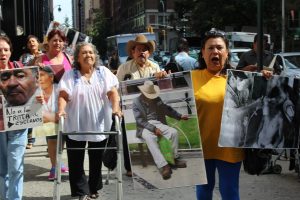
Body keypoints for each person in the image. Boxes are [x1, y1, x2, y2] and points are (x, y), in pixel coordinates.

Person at [58, 42, 122, 200]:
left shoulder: (103, 72)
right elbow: (63, 95)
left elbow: (113, 92)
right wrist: (61, 109)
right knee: (75, 160)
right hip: (75, 124)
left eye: (91, 52)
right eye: (84, 53)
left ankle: (93, 188)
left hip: (98, 124)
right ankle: (80, 192)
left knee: (96, 159)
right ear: (78, 57)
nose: (88, 55)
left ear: (95, 56)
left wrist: (116, 108)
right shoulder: (70, 75)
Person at [191, 30, 244, 200]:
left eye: (220, 48)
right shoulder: (189, 78)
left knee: (230, 192)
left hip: (230, 146)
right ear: (203, 53)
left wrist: (265, 79)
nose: (215, 51)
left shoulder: (239, 80)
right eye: (210, 48)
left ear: (227, 53)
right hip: (201, 147)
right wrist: (161, 78)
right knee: (204, 192)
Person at [0, 35, 39, 200]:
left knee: (15, 166)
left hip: (18, 125)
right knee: (1, 170)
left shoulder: (19, 68)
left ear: (10, 51)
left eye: (6, 49)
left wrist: (39, 97)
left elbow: (32, 90)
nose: (3, 53)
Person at [132, 80, 189, 180]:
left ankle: (173, 159)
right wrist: (153, 129)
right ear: (143, 92)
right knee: (150, 138)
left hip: (158, 123)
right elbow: (140, 120)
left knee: (173, 132)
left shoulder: (156, 98)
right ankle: (164, 166)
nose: (151, 97)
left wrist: (179, 116)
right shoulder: (136, 102)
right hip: (145, 126)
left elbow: (166, 109)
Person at [32, 66, 68, 180]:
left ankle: (58, 162)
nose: (39, 79)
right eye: (37, 77)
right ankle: (54, 166)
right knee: (52, 140)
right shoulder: (34, 91)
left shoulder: (59, 89)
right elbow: (32, 112)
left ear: (51, 77)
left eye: (41, 76)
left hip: (62, 119)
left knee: (60, 141)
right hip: (47, 123)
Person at [19, 34, 42, 149]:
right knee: (31, 112)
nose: (32, 43)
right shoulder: (24, 57)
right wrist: (34, 60)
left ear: (38, 43)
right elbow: (22, 70)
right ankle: (30, 139)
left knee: (45, 114)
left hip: (44, 87)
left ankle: (51, 143)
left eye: (34, 41)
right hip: (30, 88)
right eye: (29, 42)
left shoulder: (45, 55)